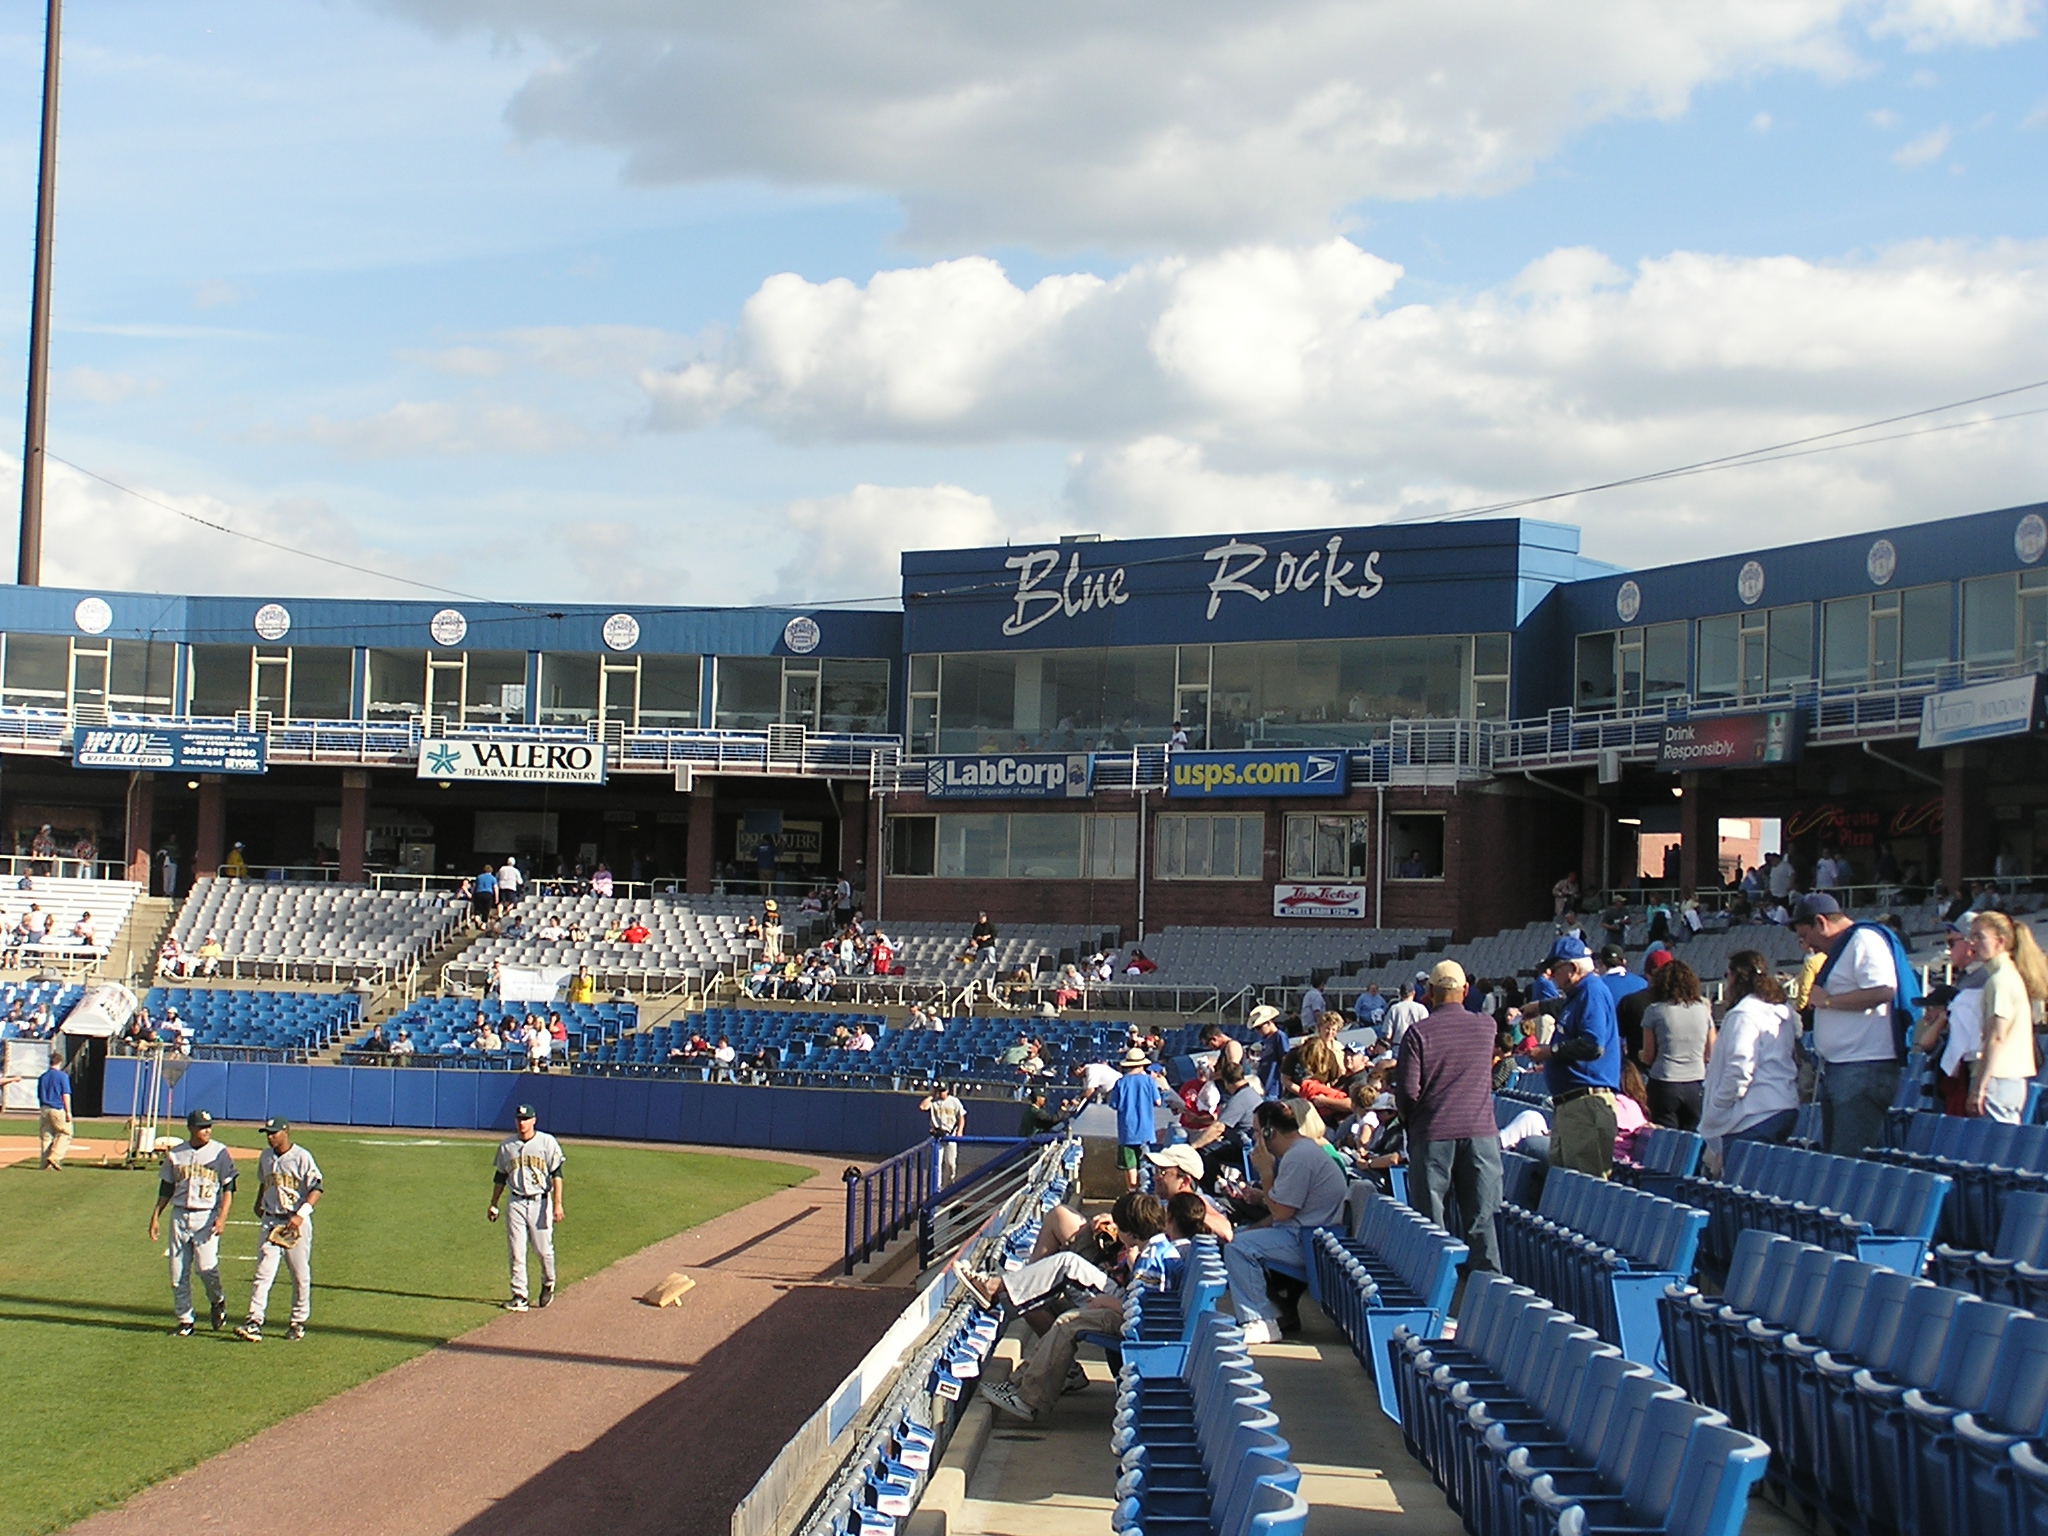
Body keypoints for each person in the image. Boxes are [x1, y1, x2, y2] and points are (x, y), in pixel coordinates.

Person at [980, 1192, 1174, 1423]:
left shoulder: (1150, 1259)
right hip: (1129, 1312)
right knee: (1062, 1304)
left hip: (1133, 1321)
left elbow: (1143, 1309)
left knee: (1068, 1322)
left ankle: (1029, 1400)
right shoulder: (1156, 1249)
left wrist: (1108, 1302)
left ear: (1131, 1233)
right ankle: (1017, 1383)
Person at [1393, 960, 1502, 1271]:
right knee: (1482, 1219)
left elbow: (1409, 1092)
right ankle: (1488, 1293)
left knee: (1431, 1225)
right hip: (1480, 1133)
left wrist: (1409, 1121)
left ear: (1430, 992)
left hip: (1432, 1133)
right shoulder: (1486, 1026)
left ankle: (1438, 1294)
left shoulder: (1417, 1034)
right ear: (1465, 990)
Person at [1795, 893, 1910, 1156]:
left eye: (1806, 936)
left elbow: (1883, 991)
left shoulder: (1864, 940)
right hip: (1843, 1068)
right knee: (1836, 1154)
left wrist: (1828, 1002)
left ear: (1821, 923)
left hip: (1863, 1068)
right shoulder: (1847, 945)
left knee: (1849, 1158)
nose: (1807, 946)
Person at [1223, 1101, 1348, 1342]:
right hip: (1307, 1235)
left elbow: (1281, 1213)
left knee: (1238, 1248)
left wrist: (1266, 1173)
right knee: (1240, 1237)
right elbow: (1283, 1211)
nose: (1255, 1137)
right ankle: (1279, 1313)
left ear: (1270, 1132)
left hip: (1312, 1243)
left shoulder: (1299, 1156)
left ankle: (1258, 1321)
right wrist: (1252, 1228)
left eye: (1258, 1131)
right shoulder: (1300, 1151)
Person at [1526, 936, 1621, 1178]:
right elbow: (1565, 1008)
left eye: (1556, 968)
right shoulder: (1579, 994)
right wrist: (1539, 1007)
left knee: (1584, 1188)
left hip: (1586, 1104)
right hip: (1571, 1105)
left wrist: (1550, 1052)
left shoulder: (1592, 991)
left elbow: (1593, 1044)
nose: (1551, 975)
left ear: (1573, 968)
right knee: (1564, 1181)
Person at [1698, 951, 1802, 1152]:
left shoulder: (1744, 1015)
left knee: (1741, 1182)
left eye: (1727, 975)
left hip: (1753, 1113)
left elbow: (1740, 1067)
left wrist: (1717, 1106)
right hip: (1783, 1105)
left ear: (1736, 977)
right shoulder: (1780, 1011)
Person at [150, 1110, 238, 1335]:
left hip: (206, 1215)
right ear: (190, 1128)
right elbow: (166, 1188)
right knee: (177, 1273)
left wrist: (222, 1216)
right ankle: (185, 1320)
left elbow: (229, 1187)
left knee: (206, 1268)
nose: (206, 1130)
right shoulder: (176, 1154)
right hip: (179, 1215)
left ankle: (217, 1300)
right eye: (202, 1126)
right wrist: (155, 1216)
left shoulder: (219, 1152)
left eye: (209, 1126)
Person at [234, 1118, 323, 1343]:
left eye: (274, 1133)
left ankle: (298, 1322)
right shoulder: (265, 1156)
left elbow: (317, 1188)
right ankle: (254, 1321)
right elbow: (265, 1182)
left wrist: (300, 1215)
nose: (270, 1136)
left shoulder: (302, 1157)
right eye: (267, 1133)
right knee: (263, 1273)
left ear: (286, 1132)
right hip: (271, 1220)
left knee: (299, 1274)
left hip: (296, 1224)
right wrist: (259, 1204)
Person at [1966, 912, 2048, 1122]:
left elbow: (1996, 1037)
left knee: (1992, 1150)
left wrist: (1979, 1088)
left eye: (1980, 937)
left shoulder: (2000, 980)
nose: (1972, 942)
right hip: (2008, 1079)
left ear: (2000, 941)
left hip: (1998, 1079)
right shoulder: (2006, 977)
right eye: (1971, 936)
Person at [488, 1104, 565, 1311]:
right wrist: (493, 1203)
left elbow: (557, 1175)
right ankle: (519, 1295)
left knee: (543, 1250)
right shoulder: (507, 1146)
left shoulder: (547, 1142)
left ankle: (548, 1282)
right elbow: (500, 1177)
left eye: (526, 1119)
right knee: (516, 1251)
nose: (522, 1123)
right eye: (519, 1119)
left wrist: (557, 1204)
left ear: (534, 1120)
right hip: (516, 1202)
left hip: (541, 1201)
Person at [1639, 958, 1712, 1130]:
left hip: (1664, 1082)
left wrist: (1639, 1055)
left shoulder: (1654, 1011)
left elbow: (1648, 1056)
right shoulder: (1703, 1010)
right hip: (1696, 1082)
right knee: (1692, 1141)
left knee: (1665, 1140)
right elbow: (1709, 1053)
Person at [1142, 1144, 1234, 1241]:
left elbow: (1226, 1232)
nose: (1155, 1178)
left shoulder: (1200, 1202)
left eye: (1162, 1172)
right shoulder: (1163, 1205)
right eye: (1155, 1170)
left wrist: (1187, 1212)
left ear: (1185, 1181)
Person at [1109, 1047, 1164, 1189]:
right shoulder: (1149, 1081)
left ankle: (1132, 1191)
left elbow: (1114, 1104)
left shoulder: (1120, 1083)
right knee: (1146, 1165)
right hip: (1146, 1132)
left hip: (1127, 1131)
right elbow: (1158, 1102)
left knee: (1130, 1164)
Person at [920, 1082, 966, 1185]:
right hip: (937, 1136)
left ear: (948, 1091)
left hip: (950, 1135)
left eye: (943, 1090)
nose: (941, 1093)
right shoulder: (934, 1102)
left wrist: (960, 1130)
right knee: (936, 1164)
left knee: (951, 1164)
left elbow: (961, 1117)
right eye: (939, 1090)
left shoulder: (954, 1101)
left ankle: (950, 1184)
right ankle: (937, 1188)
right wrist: (932, 1095)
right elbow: (922, 1107)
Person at [36, 1050, 72, 1169]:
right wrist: (68, 1112)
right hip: (57, 1108)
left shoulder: (43, 1076)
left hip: (44, 1108)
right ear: (60, 1062)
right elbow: (65, 1095)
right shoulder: (62, 1076)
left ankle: (44, 1164)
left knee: (46, 1135)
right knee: (65, 1133)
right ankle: (55, 1156)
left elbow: (39, 1095)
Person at [1383, 982, 1429, 1051]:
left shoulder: (1394, 1008)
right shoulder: (1421, 1008)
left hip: (1398, 1045)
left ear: (1400, 994)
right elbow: (1426, 1030)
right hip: (1417, 1045)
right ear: (1413, 993)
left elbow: (1388, 1035)